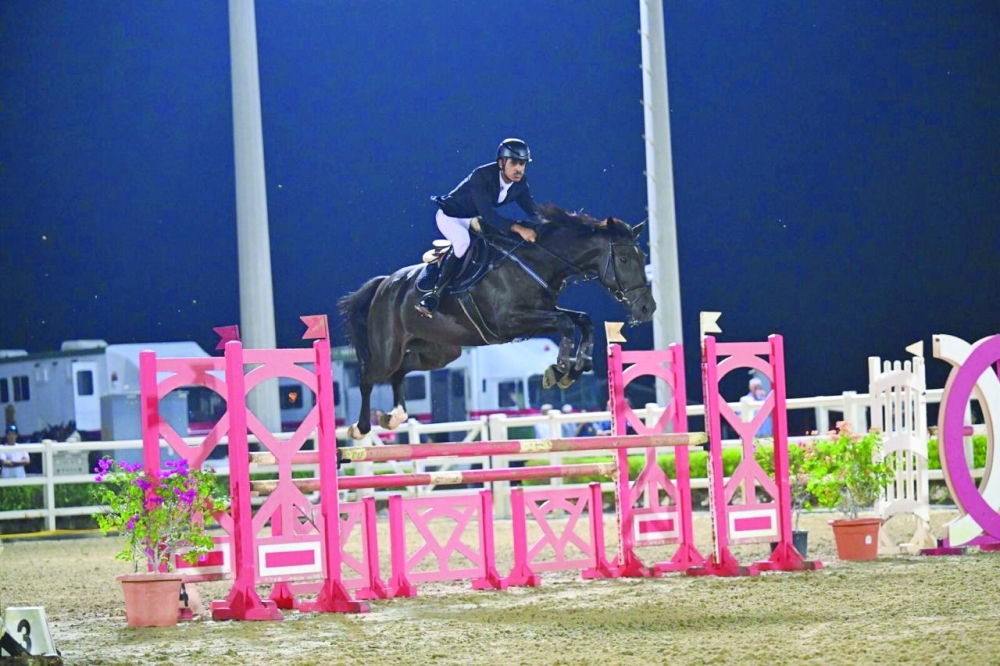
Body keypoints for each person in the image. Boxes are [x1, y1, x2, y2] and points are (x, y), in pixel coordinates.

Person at [415, 138, 541, 318]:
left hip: (474, 219)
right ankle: (434, 295)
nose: (518, 169)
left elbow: (533, 211)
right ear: (501, 163)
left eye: (522, 164)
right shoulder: (481, 176)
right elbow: (489, 215)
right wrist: (519, 228)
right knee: (463, 243)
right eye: (514, 163)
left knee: (497, 244)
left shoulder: (520, 183)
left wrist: (556, 225)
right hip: (451, 216)